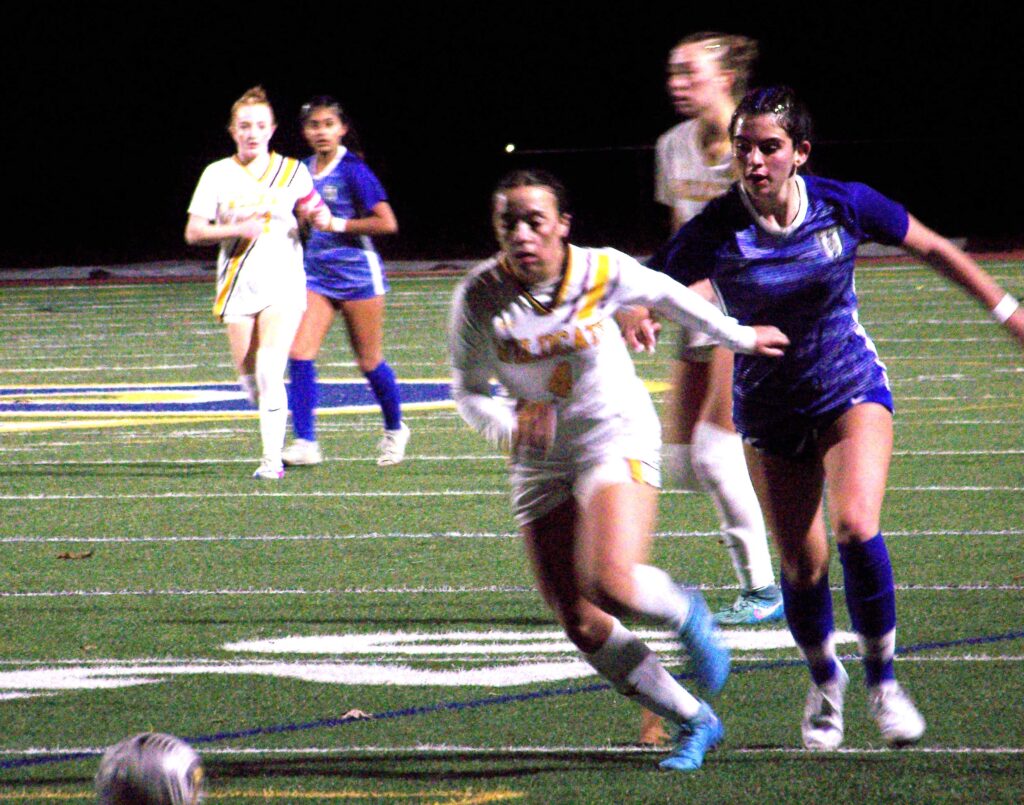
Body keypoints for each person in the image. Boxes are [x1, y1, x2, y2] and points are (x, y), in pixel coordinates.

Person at [651, 85, 1024, 750]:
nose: (756, 161)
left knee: (856, 524)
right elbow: (648, 282)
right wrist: (630, 307)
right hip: (767, 405)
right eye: (745, 149)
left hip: (848, 385)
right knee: (801, 564)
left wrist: (1007, 311)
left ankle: (883, 681)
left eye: (770, 147)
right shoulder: (714, 228)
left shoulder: (842, 203)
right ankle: (826, 681)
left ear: (799, 153)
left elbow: (934, 246)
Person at [449, 169, 789, 771]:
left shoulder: (599, 270)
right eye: (509, 223)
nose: (523, 235)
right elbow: (470, 390)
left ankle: (687, 611)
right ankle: (696, 720)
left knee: (609, 579)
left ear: (562, 225)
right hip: (538, 461)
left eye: (535, 220)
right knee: (579, 620)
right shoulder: (478, 296)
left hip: (614, 434)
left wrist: (737, 336)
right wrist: (509, 422)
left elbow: (668, 295)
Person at [651, 32, 784, 630]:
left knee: (713, 450)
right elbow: (682, 238)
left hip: (750, 307)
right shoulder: (673, 146)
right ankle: (775, 480)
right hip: (697, 309)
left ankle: (762, 588)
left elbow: (771, 239)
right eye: (672, 72)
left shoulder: (754, 147)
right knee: (677, 462)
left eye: (690, 71)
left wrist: (673, 297)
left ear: (726, 78)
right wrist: (656, 292)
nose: (677, 82)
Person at [185, 86, 331, 479]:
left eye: (260, 125)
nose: (252, 132)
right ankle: (271, 422)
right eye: (245, 126)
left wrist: (321, 218)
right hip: (236, 285)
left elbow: (316, 209)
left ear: (272, 129)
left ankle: (271, 462)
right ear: (233, 130)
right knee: (251, 382)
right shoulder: (216, 174)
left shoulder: (291, 171)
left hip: (284, 283)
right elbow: (194, 231)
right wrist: (234, 228)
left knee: (270, 367)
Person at [283, 96, 409, 468]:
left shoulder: (353, 170)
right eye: (313, 125)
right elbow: (303, 221)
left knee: (368, 360)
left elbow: (387, 223)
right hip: (318, 276)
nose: (321, 132)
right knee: (299, 353)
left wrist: (337, 224)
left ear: (342, 129)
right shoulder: (302, 169)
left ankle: (395, 429)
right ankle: (305, 442)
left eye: (327, 124)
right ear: (305, 132)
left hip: (358, 278)